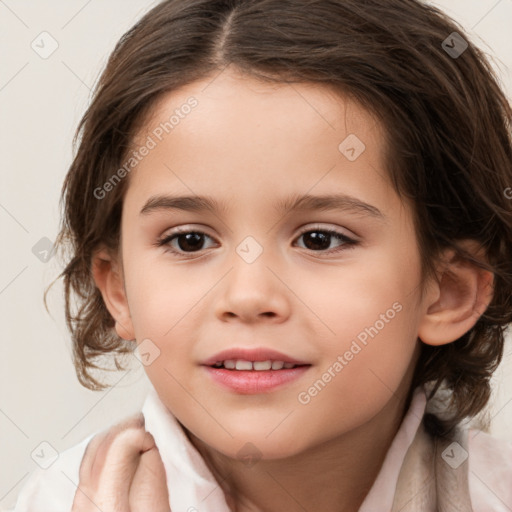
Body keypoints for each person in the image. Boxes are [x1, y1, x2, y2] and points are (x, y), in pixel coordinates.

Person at [11, 0, 512, 510]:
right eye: (189, 240)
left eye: (320, 239)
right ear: (117, 288)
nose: (248, 296)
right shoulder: (56, 500)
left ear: (448, 291)